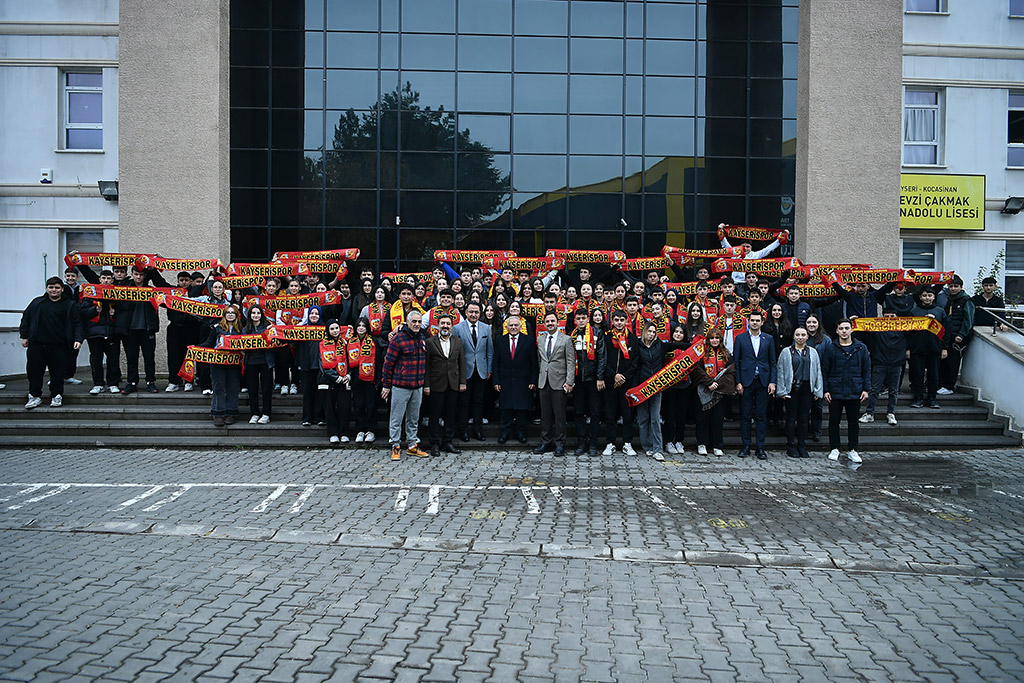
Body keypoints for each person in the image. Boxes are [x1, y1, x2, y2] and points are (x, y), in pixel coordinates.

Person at [20, 277, 84, 409]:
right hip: (37, 344)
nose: (53, 290)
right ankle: (34, 396)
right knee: (34, 372)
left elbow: (77, 323)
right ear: (46, 288)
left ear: (62, 289)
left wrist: (78, 339)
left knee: (57, 373)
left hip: (59, 345)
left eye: (56, 287)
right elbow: (26, 318)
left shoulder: (70, 305)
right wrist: (24, 336)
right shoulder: (37, 303)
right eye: (51, 287)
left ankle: (56, 395)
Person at [633, 322, 690, 461]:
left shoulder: (661, 345)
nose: (651, 334)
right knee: (643, 418)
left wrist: (698, 344)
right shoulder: (637, 345)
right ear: (644, 332)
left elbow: (679, 345)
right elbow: (635, 366)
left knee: (655, 418)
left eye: (654, 332)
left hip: (656, 386)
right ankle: (647, 447)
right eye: (649, 331)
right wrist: (634, 387)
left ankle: (657, 448)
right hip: (642, 387)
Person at [820, 318, 871, 463]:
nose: (844, 331)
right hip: (835, 389)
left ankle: (853, 449)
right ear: (837, 331)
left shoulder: (861, 348)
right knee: (834, 421)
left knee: (853, 422)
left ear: (851, 329)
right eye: (841, 328)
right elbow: (825, 370)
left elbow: (866, 370)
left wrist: (866, 389)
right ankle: (834, 448)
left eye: (846, 328)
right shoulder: (831, 348)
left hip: (855, 390)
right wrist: (826, 390)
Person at [381, 309, 429, 461]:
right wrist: (386, 385)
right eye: (414, 321)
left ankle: (412, 444)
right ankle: (395, 445)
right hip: (400, 385)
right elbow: (388, 363)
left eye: (419, 322)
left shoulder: (423, 337)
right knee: (396, 418)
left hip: (417, 386)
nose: (417, 324)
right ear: (407, 322)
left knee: (413, 419)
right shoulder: (398, 339)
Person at [120, 265, 171, 394]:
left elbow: (165, 296)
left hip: (147, 329)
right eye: (136, 274)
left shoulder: (152, 291)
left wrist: (153, 268)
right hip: (130, 329)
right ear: (132, 274)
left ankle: (150, 382)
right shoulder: (125, 289)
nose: (138, 277)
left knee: (149, 357)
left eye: (141, 274)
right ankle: (132, 382)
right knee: (131, 358)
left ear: (145, 276)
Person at [734, 310, 777, 459]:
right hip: (746, 381)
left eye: (757, 320)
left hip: (763, 381)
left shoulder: (768, 339)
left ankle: (760, 447)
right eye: (752, 320)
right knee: (746, 415)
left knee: (761, 416)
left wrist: (772, 381)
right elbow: (736, 363)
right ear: (748, 321)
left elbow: (773, 362)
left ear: (762, 322)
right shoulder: (740, 338)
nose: (755, 323)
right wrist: (738, 382)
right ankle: (745, 446)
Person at [776, 327, 824, 458]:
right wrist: (781, 390)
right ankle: (791, 446)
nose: (800, 337)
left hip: (807, 388)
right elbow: (781, 371)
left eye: (803, 335)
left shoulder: (813, 352)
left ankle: (802, 445)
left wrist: (817, 390)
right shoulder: (786, 352)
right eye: (797, 335)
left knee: (804, 418)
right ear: (793, 336)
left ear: (807, 337)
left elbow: (817, 371)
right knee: (791, 418)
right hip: (791, 388)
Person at [423, 314, 466, 457]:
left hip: (453, 384)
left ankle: (448, 441)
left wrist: (462, 382)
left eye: (448, 323)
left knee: (450, 414)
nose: (445, 326)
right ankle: (434, 443)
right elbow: (426, 366)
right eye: (442, 323)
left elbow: (461, 363)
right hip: (436, 384)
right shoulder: (430, 342)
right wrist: (426, 385)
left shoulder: (457, 341)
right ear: (438, 325)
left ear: (452, 326)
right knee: (434, 415)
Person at [492, 315, 538, 444]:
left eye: (516, 325)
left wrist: (533, 380)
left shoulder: (528, 340)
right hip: (505, 380)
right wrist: (496, 380)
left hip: (523, 380)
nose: (513, 327)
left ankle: (520, 433)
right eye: (511, 325)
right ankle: (504, 433)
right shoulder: (500, 340)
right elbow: (496, 362)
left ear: (520, 326)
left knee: (521, 409)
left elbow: (533, 363)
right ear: (506, 327)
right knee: (505, 408)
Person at [536, 312, 576, 456]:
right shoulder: (540, 339)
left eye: (553, 321)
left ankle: (560, 443)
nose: (550, 323)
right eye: (547, 321)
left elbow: (571, 362)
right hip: (544, 381)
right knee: (545, 415)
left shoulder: (566, 339)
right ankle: (545, 442)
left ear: (558, 323)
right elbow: (540, 360)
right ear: (544, 324)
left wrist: (569, 381)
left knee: (559, 415)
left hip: (560, 382)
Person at [860, 304, 906, 426]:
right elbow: (862, 332)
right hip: (880, 363)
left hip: (896, 364)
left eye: (892, 317)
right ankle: (869, 413)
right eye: (886, 317)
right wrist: (854, 321)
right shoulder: (877, 329)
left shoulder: (903, 330)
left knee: (893, 391)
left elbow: (918, 329)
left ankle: (891, 413)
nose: (889, 319)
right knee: (874, 390)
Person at [452, 302, 493, 442]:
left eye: (476, 312)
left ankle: (478, 430)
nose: (473, 315)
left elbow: (489, 350)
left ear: (480, 313)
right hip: (464, 371)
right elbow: (454, 352)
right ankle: (463, 432)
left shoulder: (486, 328)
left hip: (481, 371)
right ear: (466, 312)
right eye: (471, 312)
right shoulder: (457, 328)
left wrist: (489, 369)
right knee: (464, 403)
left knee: (478, 402)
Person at [691, 328, 735, 457]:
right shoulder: (702, 353)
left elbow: (731, 371)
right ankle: (702, 444)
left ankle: (717, 445)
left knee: (717, 419)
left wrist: (718, 384)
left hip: (719, 391)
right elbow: (697, 370)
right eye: (712, 338)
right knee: (702, 419)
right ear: (708, 340)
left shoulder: (726, 354)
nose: (714, 340)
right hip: (704, 390)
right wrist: (708, 383)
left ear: (720, 339)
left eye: (717, 338)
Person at [570, 308, 606, 455]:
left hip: (593, 380)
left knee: (595, 413)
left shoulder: (597, 333)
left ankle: (593, 443)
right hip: (578, 380)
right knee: (579, 412)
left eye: (583, 318)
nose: (581, 321)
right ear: (575, 320)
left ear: (587, 319)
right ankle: (581, 442)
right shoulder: (572, 335)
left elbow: (602, 357)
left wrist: (600, 377)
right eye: (578, 318)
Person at [602, 310, 638, 456]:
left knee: (627, 415)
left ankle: (627, 443)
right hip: (610, 382)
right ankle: (610, 443)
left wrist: (623, 377)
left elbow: (635, 361)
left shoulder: (632, 338)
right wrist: (614, 375)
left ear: (626, 321)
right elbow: (602, 358)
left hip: (626, 383)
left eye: (622, 320)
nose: (619, 323)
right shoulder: (606, 337)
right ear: (612, 321)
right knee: (610, 414)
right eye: (616, 320)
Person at [200, 304, 243, 426]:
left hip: (234, 363)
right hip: (218, 362)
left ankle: (231, 413)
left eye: (233, 313)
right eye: (228, 312)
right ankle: (217, 413)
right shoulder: (217, 328)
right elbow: (209, 343)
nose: (230, 315)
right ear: (224, 315)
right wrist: (197, 347)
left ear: (236, 315)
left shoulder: (241, 329)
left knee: (232, 387)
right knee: (218, 387)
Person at [78, 272, 121, 394]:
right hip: (95, 333)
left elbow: (125, 312)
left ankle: (113, 384)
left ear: (112, 280)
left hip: (112, 332)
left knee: (113, 360)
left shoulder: (118, 293)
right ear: (99, 279)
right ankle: (98, 384)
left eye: (108, 278)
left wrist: (115, 313)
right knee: (96, 360)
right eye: (104, 278)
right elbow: (82, 312)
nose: (106, 280)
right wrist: (94, 310)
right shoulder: (90, 293)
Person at [908, 286, 946, 409]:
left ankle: (932, 399)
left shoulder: (940, 311)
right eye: (924, 296)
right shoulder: (914, 312)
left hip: (935, 349)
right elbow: (908, 332)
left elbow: (946, 331)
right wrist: (908, 348)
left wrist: (944, 348)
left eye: (929, 295)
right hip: (917, 349)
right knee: (917, 375)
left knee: (933, 376)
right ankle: (918, 398)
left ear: (934, 297)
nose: (927, 298)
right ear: (920, 297)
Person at [165, 271, 202, 393]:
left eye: (186, 280)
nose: (184, 282)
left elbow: (206, 284)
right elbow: (160, 283)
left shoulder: (195, 292)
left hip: (190, 328)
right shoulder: (172, 292)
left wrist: (213, 272)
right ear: (178, 281)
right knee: (173, 355)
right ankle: (173, 381)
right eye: (181, 280)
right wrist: (152, 270)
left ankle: (188, 381)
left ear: (190, 281)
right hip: (174, 328)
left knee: (189, 355)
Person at [938, 275, 974, 395]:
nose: (953, 288)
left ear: (961, 287)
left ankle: (949, 386)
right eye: (950, 286)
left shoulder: (966, 300)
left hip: (958, 336)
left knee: (953, 362)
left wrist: (962, 334)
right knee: (944, 360)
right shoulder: (950, 299)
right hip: (948, 335)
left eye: (955, 286)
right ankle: (941, 384)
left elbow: (968, 320)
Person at [318, 318, 353, 445]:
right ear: (328, 330)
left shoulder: (346, 343)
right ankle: (333, 433)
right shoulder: (322, 344)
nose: (335, 331)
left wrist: (348, 376)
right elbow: (323, 365)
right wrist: (337, 378)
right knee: (330, 408)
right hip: (328, 381)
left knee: (344, 408)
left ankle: (344, 433)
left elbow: (352, 360)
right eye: (332, 329)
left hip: (344, 381)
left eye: (337, 328)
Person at [350, 316, 383, 443]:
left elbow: (378, 362)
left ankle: (370, 430)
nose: (361, 328)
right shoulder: (350, 342)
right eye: (359, 326)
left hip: (371, 379)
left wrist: (379, 379)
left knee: (371, 405)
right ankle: (360, 430)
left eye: (363, 326)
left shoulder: (374, 341)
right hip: (356, 379)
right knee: (358, 405)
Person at [242, 304, 274, 424]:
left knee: (266, 389)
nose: (256, 315)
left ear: (262, 314)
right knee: (252, 389)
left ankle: (266, 414)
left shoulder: (268, 328)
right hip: (251, 362)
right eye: (253, 313)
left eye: (258, 313)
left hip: (266, 362)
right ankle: (254, 413)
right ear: (250, 315)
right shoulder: (245, 330)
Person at [295, 305, 325, 427]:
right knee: (307, 392)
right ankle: (307, 418)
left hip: (321, 367)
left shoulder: (325, 329)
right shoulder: (302, 330)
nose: (314, 316)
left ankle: (319, 417)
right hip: (306, 366)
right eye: (312, 313)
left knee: (320, 393)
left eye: (316, 314)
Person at [804, 314, 832, 441]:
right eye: (809, 322)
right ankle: (805, 430)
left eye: (814, 322)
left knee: (817, 406)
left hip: (819, 376)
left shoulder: (826, 340)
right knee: (804, 407)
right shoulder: (802, 336)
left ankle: (816, 431)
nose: (811, 325)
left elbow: (829, 358)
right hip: (804, 376)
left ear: (818, 324)